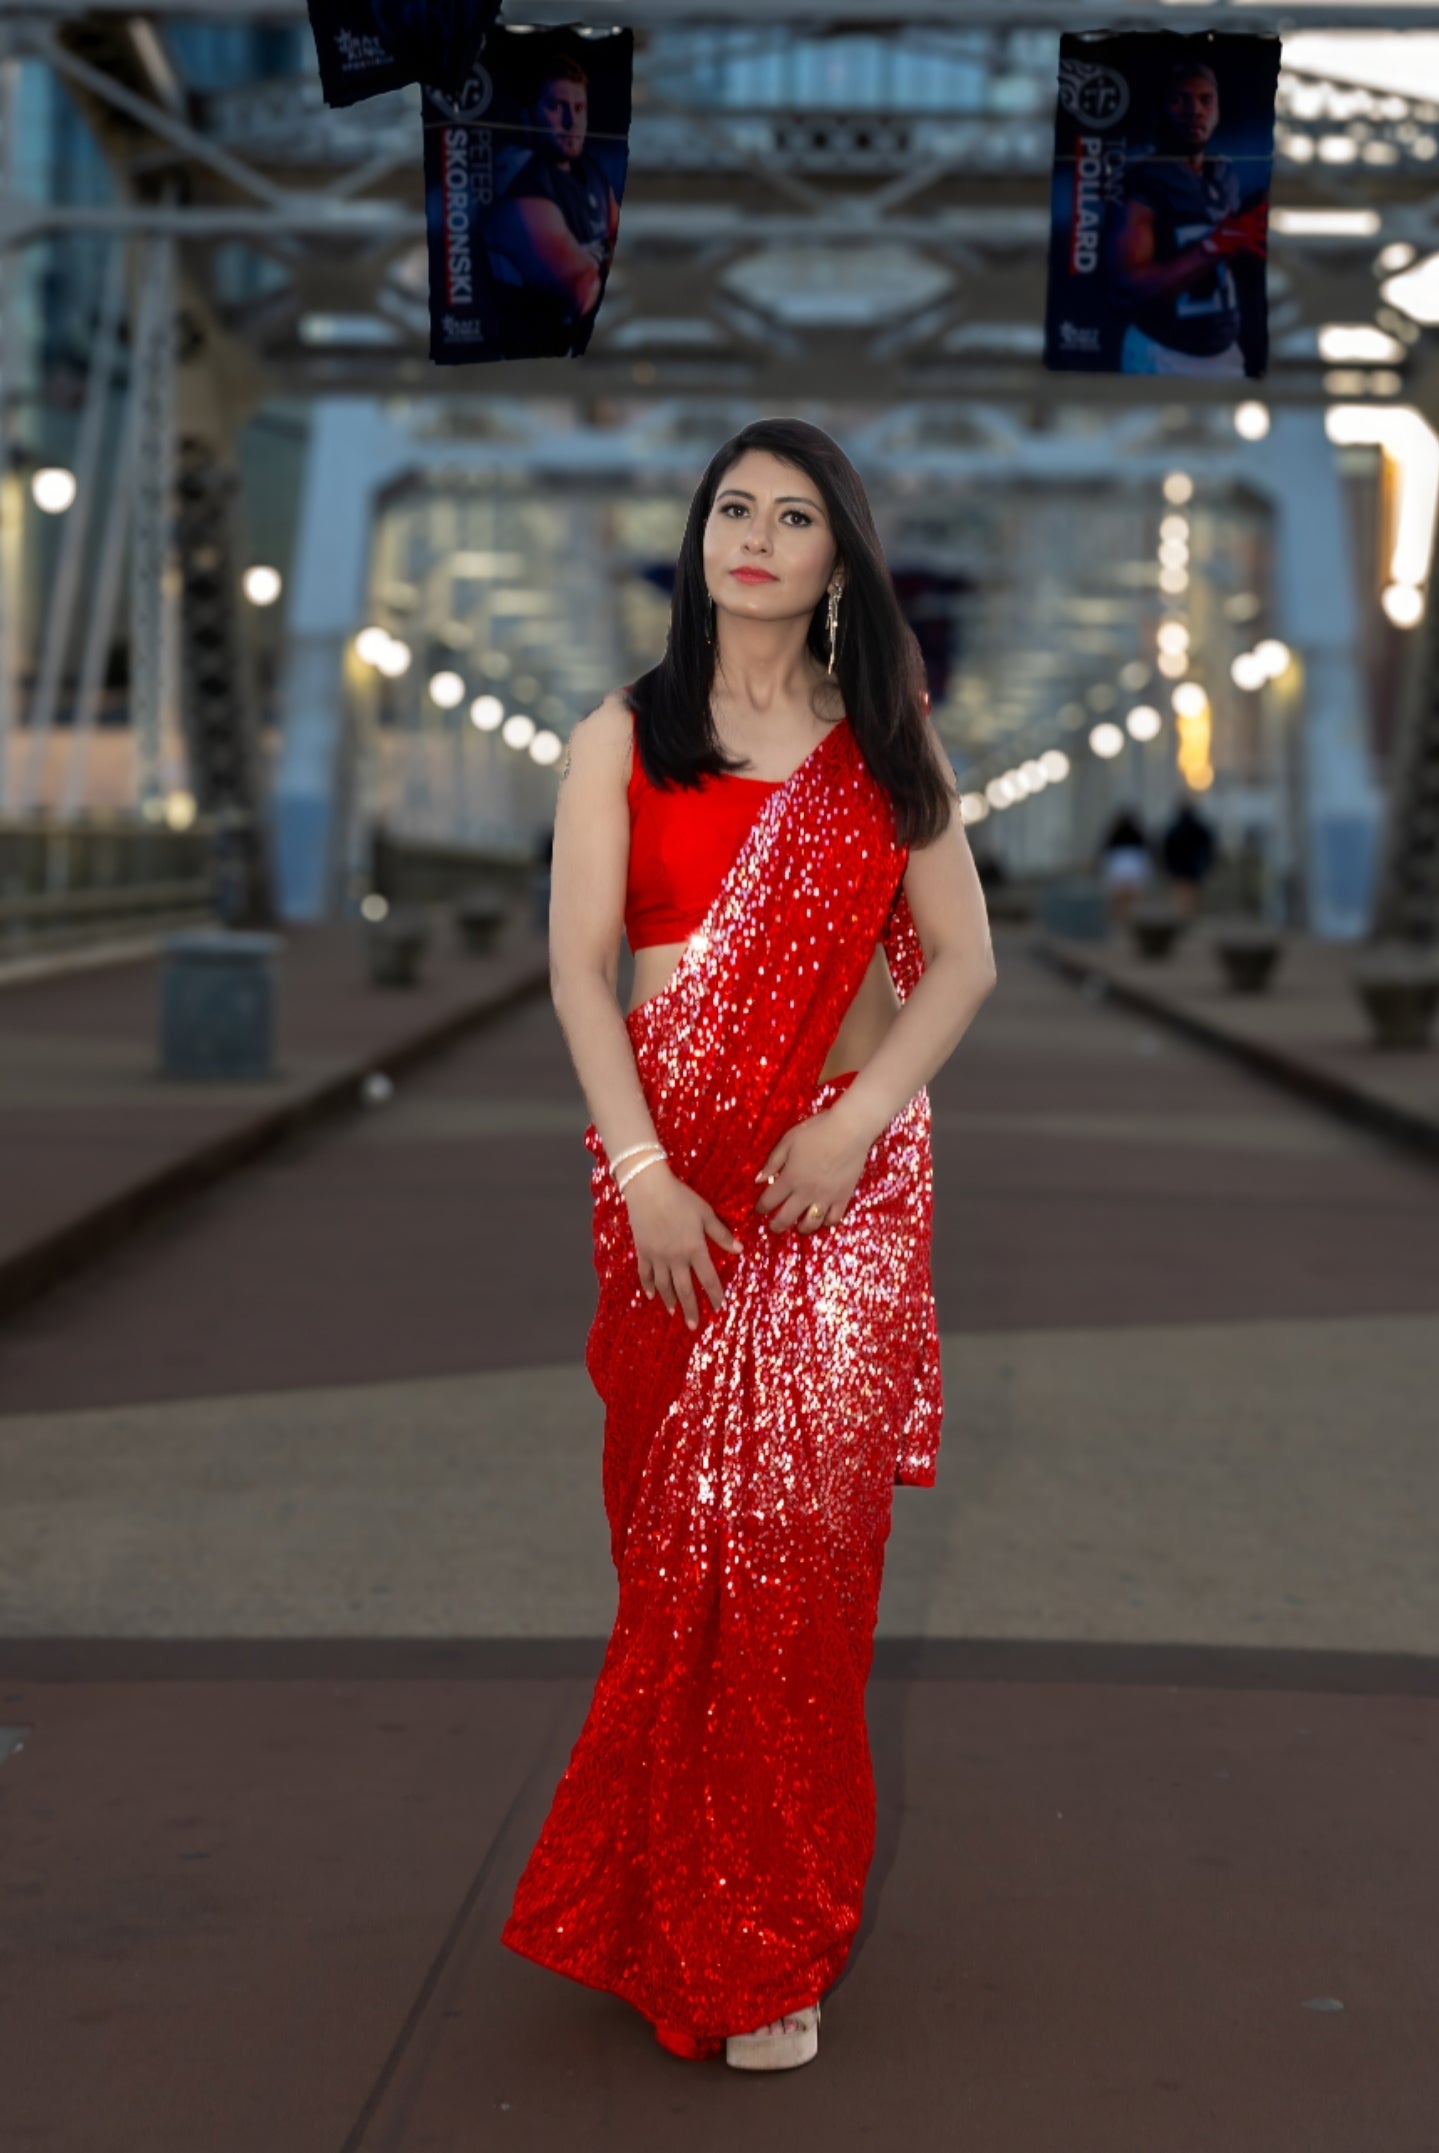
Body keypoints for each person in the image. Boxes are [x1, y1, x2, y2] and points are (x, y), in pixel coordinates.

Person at [501, 418, 997, 2070]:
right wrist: (639, 1167)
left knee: (797, 1572)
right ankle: (662, 1897)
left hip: (837, 1191)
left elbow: (958, 962)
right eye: (733, 506)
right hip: (669, 1194)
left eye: (795, 516)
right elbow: (580, 972)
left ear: (836, 559)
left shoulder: (880, 746)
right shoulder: (616, 739)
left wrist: (854, 1125)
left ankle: (765, 1927)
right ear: (695, 536)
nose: (758, 536)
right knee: (678, 1562)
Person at [1111, 59, 1267, 377]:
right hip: (1164, 353)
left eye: (1205, 99)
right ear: (1160, 111)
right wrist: (1212, 247)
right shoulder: (1145, 179)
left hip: (1225, 350)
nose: (1194, 110)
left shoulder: (1224, 172)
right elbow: (1132, 285)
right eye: (1179, 99)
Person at [486, 47, 620, 358]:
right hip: (526, 360)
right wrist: (597, 260)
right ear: (528, 114)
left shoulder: (592, 175)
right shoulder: (519, 190)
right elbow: (581, 286)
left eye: (579, 107)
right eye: (556, 107)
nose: (572, 121)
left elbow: (619, 243)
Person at [1161, 798, 1218, 916]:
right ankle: (1189, 921)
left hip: (1179, 869)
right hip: (1194, 868)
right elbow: (1208, 848)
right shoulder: (1200, 828)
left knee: (1181, 897)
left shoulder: (1174, 829)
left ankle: (1182, 920)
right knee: (1193, 898)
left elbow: (1167, 850)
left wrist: (1169, 867)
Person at [1098, 806, 1153, 925]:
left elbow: (1105, 849)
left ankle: (1121, 917)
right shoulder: (1137, 833)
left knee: (1119, 894)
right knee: (1129, 895)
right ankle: (1127, 916)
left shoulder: (1115, 833)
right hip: (1133, 865)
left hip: (1119, 865)